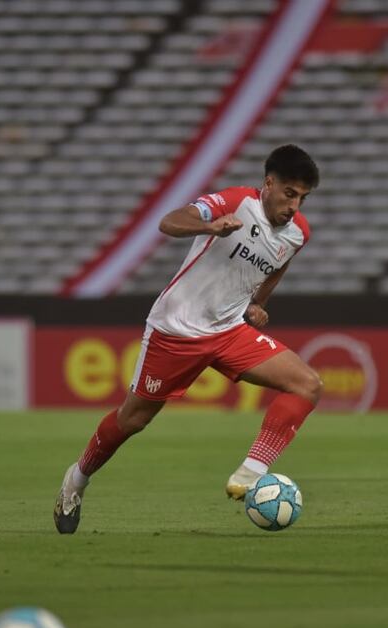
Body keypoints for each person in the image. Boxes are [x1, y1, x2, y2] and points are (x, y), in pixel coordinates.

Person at [54, 144, 323, 535]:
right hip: (176, 330)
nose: (294, 205)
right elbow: (169, 221)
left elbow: (277, 265)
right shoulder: (235, 201)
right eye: (289, 193)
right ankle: (76, 480)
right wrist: (209, 226)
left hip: (229, 330)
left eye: (302, 197)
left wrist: (257, 303)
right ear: (268, 184)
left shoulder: (298, 232)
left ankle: (249, 474)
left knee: (308, 385)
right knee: (133, 419)